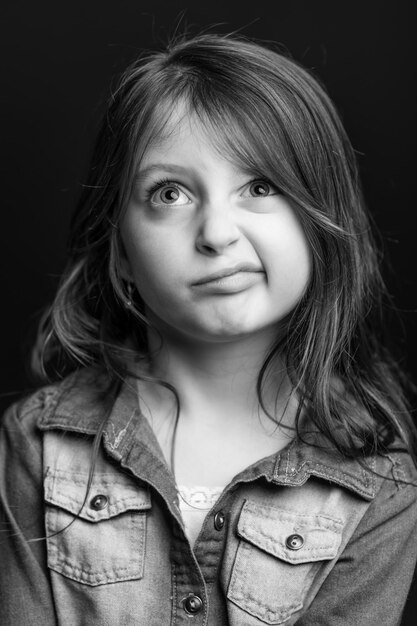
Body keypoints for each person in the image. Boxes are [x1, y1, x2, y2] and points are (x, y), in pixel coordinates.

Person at [1, 32, 417, 626]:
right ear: (119, 251)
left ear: (321, 225)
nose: (217, 233)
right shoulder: (36, 446)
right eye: (169, 193)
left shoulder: (378, 488)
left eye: (260, 186)